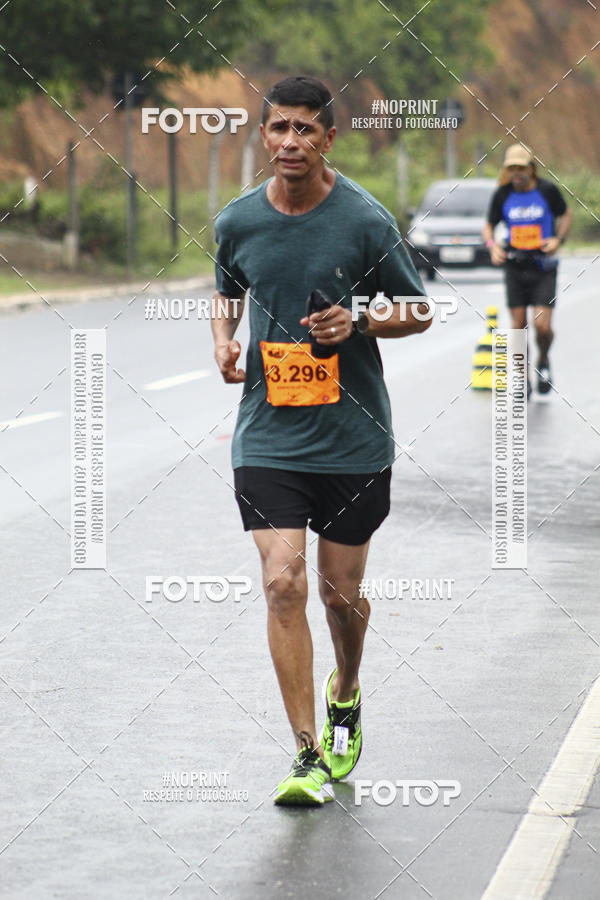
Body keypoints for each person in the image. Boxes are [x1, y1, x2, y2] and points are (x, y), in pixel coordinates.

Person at [211, 75, 430, 807]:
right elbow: (226, 288)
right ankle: (306, 754)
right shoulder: (238, 220)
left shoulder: (364, 219)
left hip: (352, 439)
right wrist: (223, 340)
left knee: (340, 595)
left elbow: (418, 308)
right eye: (279, 130)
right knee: (282, 582)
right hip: (269, 432)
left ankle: (348, 687)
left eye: (306, 130)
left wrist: (360, 321)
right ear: (264, 136)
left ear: (329, 138)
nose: (291, 143)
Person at [483, 143, 571, 396]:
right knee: (518, 325)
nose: (516, 174)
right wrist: (492, 246)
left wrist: (558, 240)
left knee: (542, 326)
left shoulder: (547, 191)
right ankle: (523, 377)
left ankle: (543, 360)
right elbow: (488, 225)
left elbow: (565, 214)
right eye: (511, 169)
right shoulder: (502, 194)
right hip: (514, 266)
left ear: (531, 168)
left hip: (543, 266)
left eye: (520, 168)